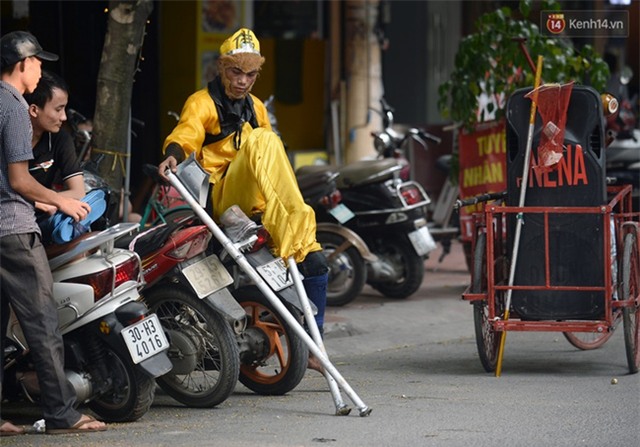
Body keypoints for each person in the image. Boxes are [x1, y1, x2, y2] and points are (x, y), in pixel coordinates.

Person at [158, 28, 328, 371]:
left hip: (258, 204)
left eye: (250, 74)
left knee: (315, 261)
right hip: (223, 196)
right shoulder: (202, 102)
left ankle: (314, 346)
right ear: (222, 68)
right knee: (265, 140)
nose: (243, 81)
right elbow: (185, 134)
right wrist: (174, 154)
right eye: (236, 72)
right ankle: (294, 218)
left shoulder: (257, 108)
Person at [0, 30, 106, 435]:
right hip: (13, 229)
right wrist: (59, 200)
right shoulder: (12, 105)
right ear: (23, 65)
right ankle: (62, 414)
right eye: (38, 62)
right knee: (43, 323)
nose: (41, 69)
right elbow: (19, 179)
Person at [22, 70, 86, 240]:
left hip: (43, 219)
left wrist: (47, 201)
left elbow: (78, 191)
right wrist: (36, 202)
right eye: (58, 109)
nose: (64, 117)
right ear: (34, 110)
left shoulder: (60, 139)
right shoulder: (9, 136)